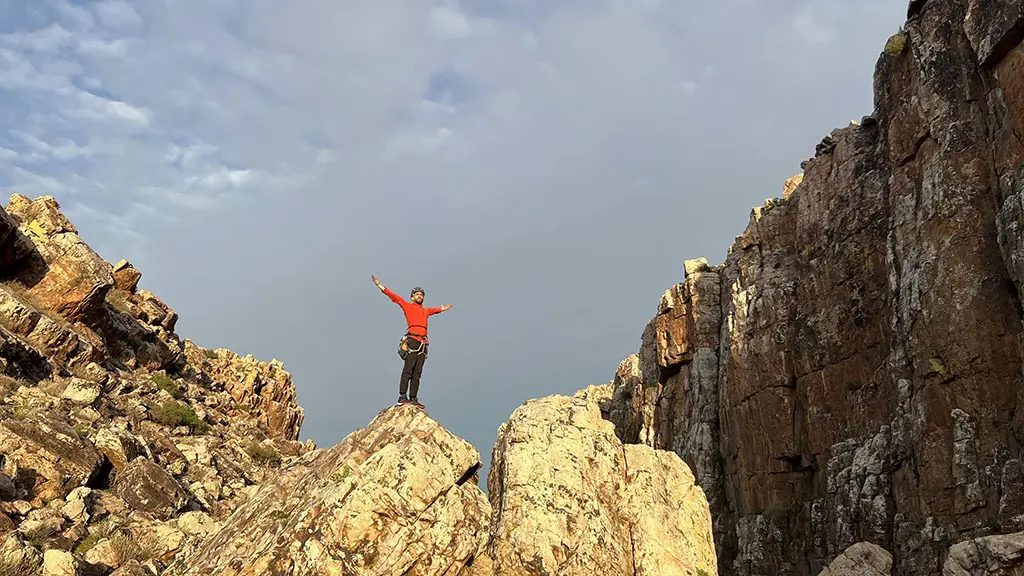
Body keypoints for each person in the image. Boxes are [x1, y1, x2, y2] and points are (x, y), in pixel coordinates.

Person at [372, 274, 451, 407]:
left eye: (421, 294)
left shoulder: (426, 311)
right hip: (413, 340)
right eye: (417, 294)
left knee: (417, 373)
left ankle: (413, 398)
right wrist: (380, 286)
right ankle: (402, 397)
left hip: (423, 343)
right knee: (408, 370)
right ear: (412, 297)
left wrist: (442, 309)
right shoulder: (408, 306)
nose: (419, 296)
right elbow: (395, 298)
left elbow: (435, 310)